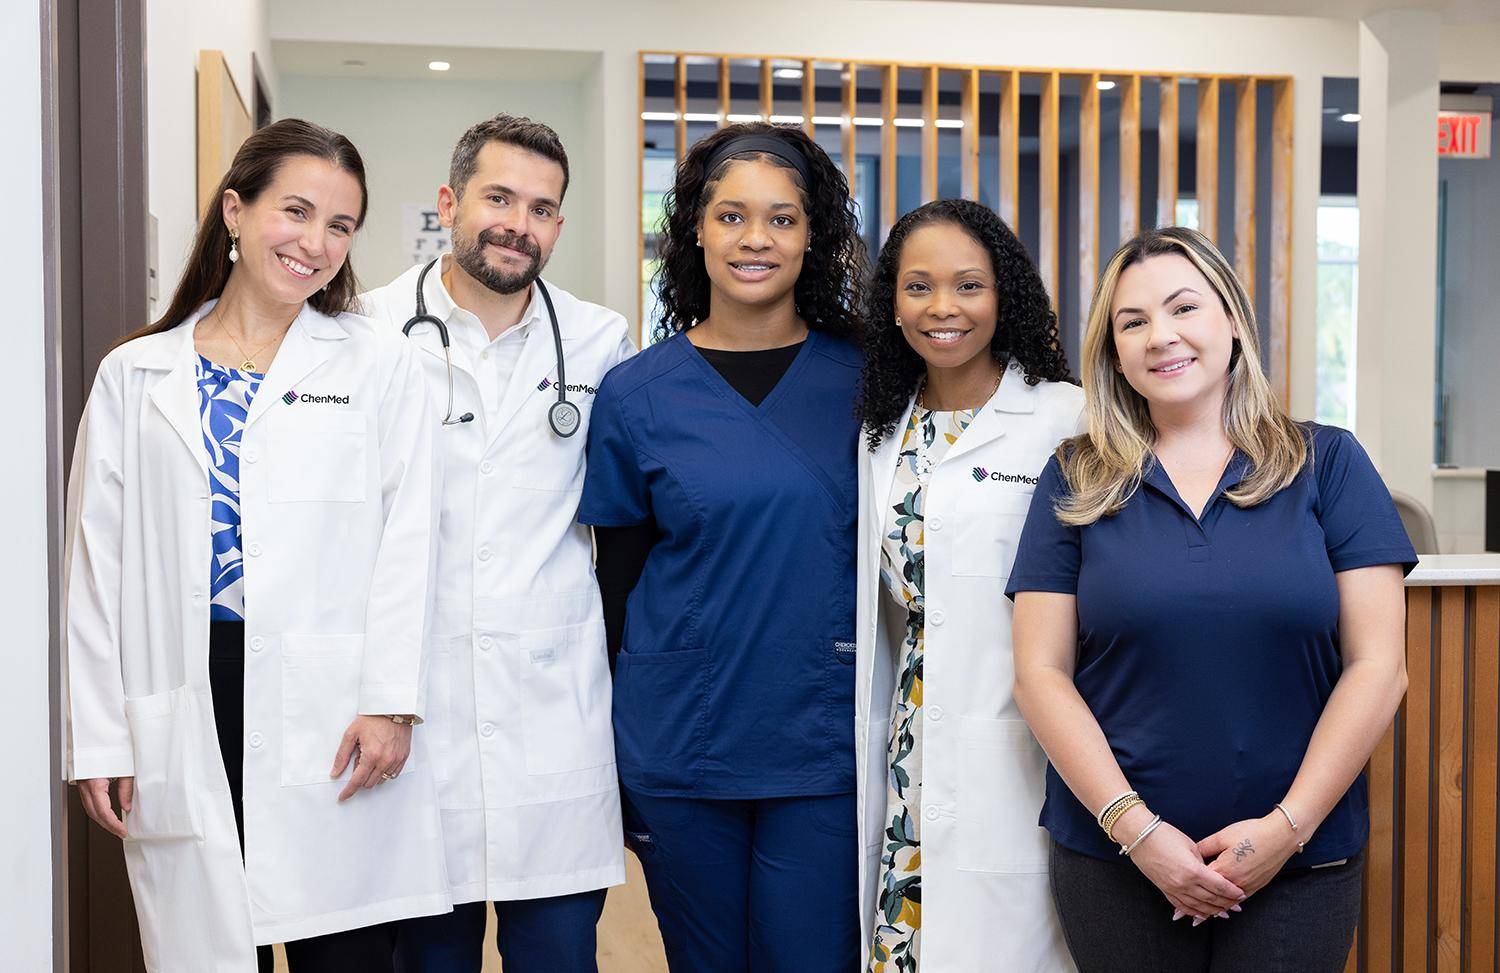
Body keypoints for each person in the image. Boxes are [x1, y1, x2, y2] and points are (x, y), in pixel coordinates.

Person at [63, 118, 450, 973]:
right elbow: (97, 568)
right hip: (188, 693)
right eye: (297, 212)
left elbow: (409, 538)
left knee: (341, 950)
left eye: (341, 226)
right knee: (207, 950)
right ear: (235, 212)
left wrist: (392, 701)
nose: (316, 243)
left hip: (333, 705)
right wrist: (99, 737)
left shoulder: (380, 364)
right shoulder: (136, 375)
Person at [1007, 226, 1414, 973]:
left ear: (1231, 319)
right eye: (1132, 322)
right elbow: (1040, 673)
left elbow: (1379, 666)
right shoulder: (1075, 477)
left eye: (1183, 307)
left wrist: (1284, 830)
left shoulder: (1330, 464)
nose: (1161, 336)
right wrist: (1138, 830)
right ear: (1114, 351)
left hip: (1300, 866)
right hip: (1115, 864)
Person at [578, 121, 867, 972]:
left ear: (811, 236)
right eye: (732, 215)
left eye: (781, 219)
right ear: (695, 228)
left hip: (820, 743)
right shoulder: (637, 393)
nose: (755, 239)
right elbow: (616, 587)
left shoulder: (870, 378)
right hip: (681, 742)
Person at [362, 114, 633, 973]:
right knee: (426, 960)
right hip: (415, 714)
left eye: (544, 207)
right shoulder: (364, 334)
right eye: (500, 197)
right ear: (451, 202)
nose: (520, 222)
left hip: (552, 717)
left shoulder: (601, 340)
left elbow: (629, 520)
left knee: (559, 956)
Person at [853, 198, 1080, 972]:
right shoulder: (880, 430)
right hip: (911, 738)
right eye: (918, 286)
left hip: (1026, 743)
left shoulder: (1065, 418)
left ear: (1004, 294)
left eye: (967, 286)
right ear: (892, 302)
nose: (942, 308)